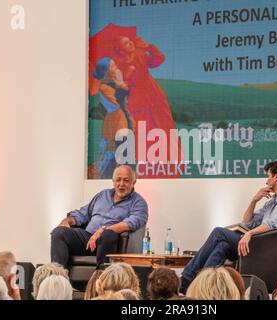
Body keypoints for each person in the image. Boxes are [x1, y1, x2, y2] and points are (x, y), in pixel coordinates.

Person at [180, 160, 277, 292]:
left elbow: (271, 224)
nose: (266, 181)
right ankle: (203, 287)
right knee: (222, 246)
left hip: (268, 248)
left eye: (268, 176)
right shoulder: (272, 201)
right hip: (258, 243)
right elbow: (248, 222)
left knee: (218, 232)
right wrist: (254, 200)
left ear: (276, 177)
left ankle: (186, 279)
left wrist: (249, 233)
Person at [51, 165, 148, 268]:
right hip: (87, 239)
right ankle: (58, 278)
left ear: (134, 182)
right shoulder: (102, 195)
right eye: (118, 180)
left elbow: (132, 222)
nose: (121, 184)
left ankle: (101, 277)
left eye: (126, 180)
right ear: (113, 181)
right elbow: (83, 214)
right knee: (59, 232)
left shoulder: (139, 203)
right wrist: (67, 221)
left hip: (110, 243)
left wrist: (102, 230)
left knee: (108, 234)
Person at [114, 36, 182, 177]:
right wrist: (128, 73)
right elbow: (121, 84)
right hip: (138, 104)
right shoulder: (119, 64)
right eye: (126, 42)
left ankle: (172, 163)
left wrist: (148, 47)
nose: (131, 42)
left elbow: (159, 59)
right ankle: (147, 170)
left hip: (155, 99)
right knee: (144, 135)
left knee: (163, 129)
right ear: (121, 50)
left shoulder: (140, 55)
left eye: (130, 40)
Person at [88, 57, 135, 179]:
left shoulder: (112, 84)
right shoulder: (106, 87)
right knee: (115, 153)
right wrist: (119, 83)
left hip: (117, 120)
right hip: (116, 122)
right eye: (113, 67)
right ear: (107, 72)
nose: (117, 68)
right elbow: (115, 104)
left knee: (119, 153)